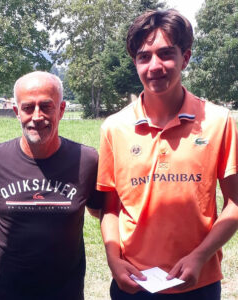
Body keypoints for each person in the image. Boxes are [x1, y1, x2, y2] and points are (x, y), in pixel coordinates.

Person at [97, 9, 238, 300]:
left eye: (166, 54)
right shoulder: (114, 127)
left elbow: (235, 203)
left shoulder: (218, 121)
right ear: (135, 62)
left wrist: (199, 257)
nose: (155, 66)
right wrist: (114, 259)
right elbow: (109, 208)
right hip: (133, 283)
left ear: (185, 57)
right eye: (144, 57)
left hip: (197, 282)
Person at [0, 71, 102, 299]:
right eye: (28, 108)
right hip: (3, 292)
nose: (37, 116)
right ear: (17, 112)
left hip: (64, 293)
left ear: (62, 109)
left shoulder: (86, 160)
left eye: (47, 106)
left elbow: (102, 212)